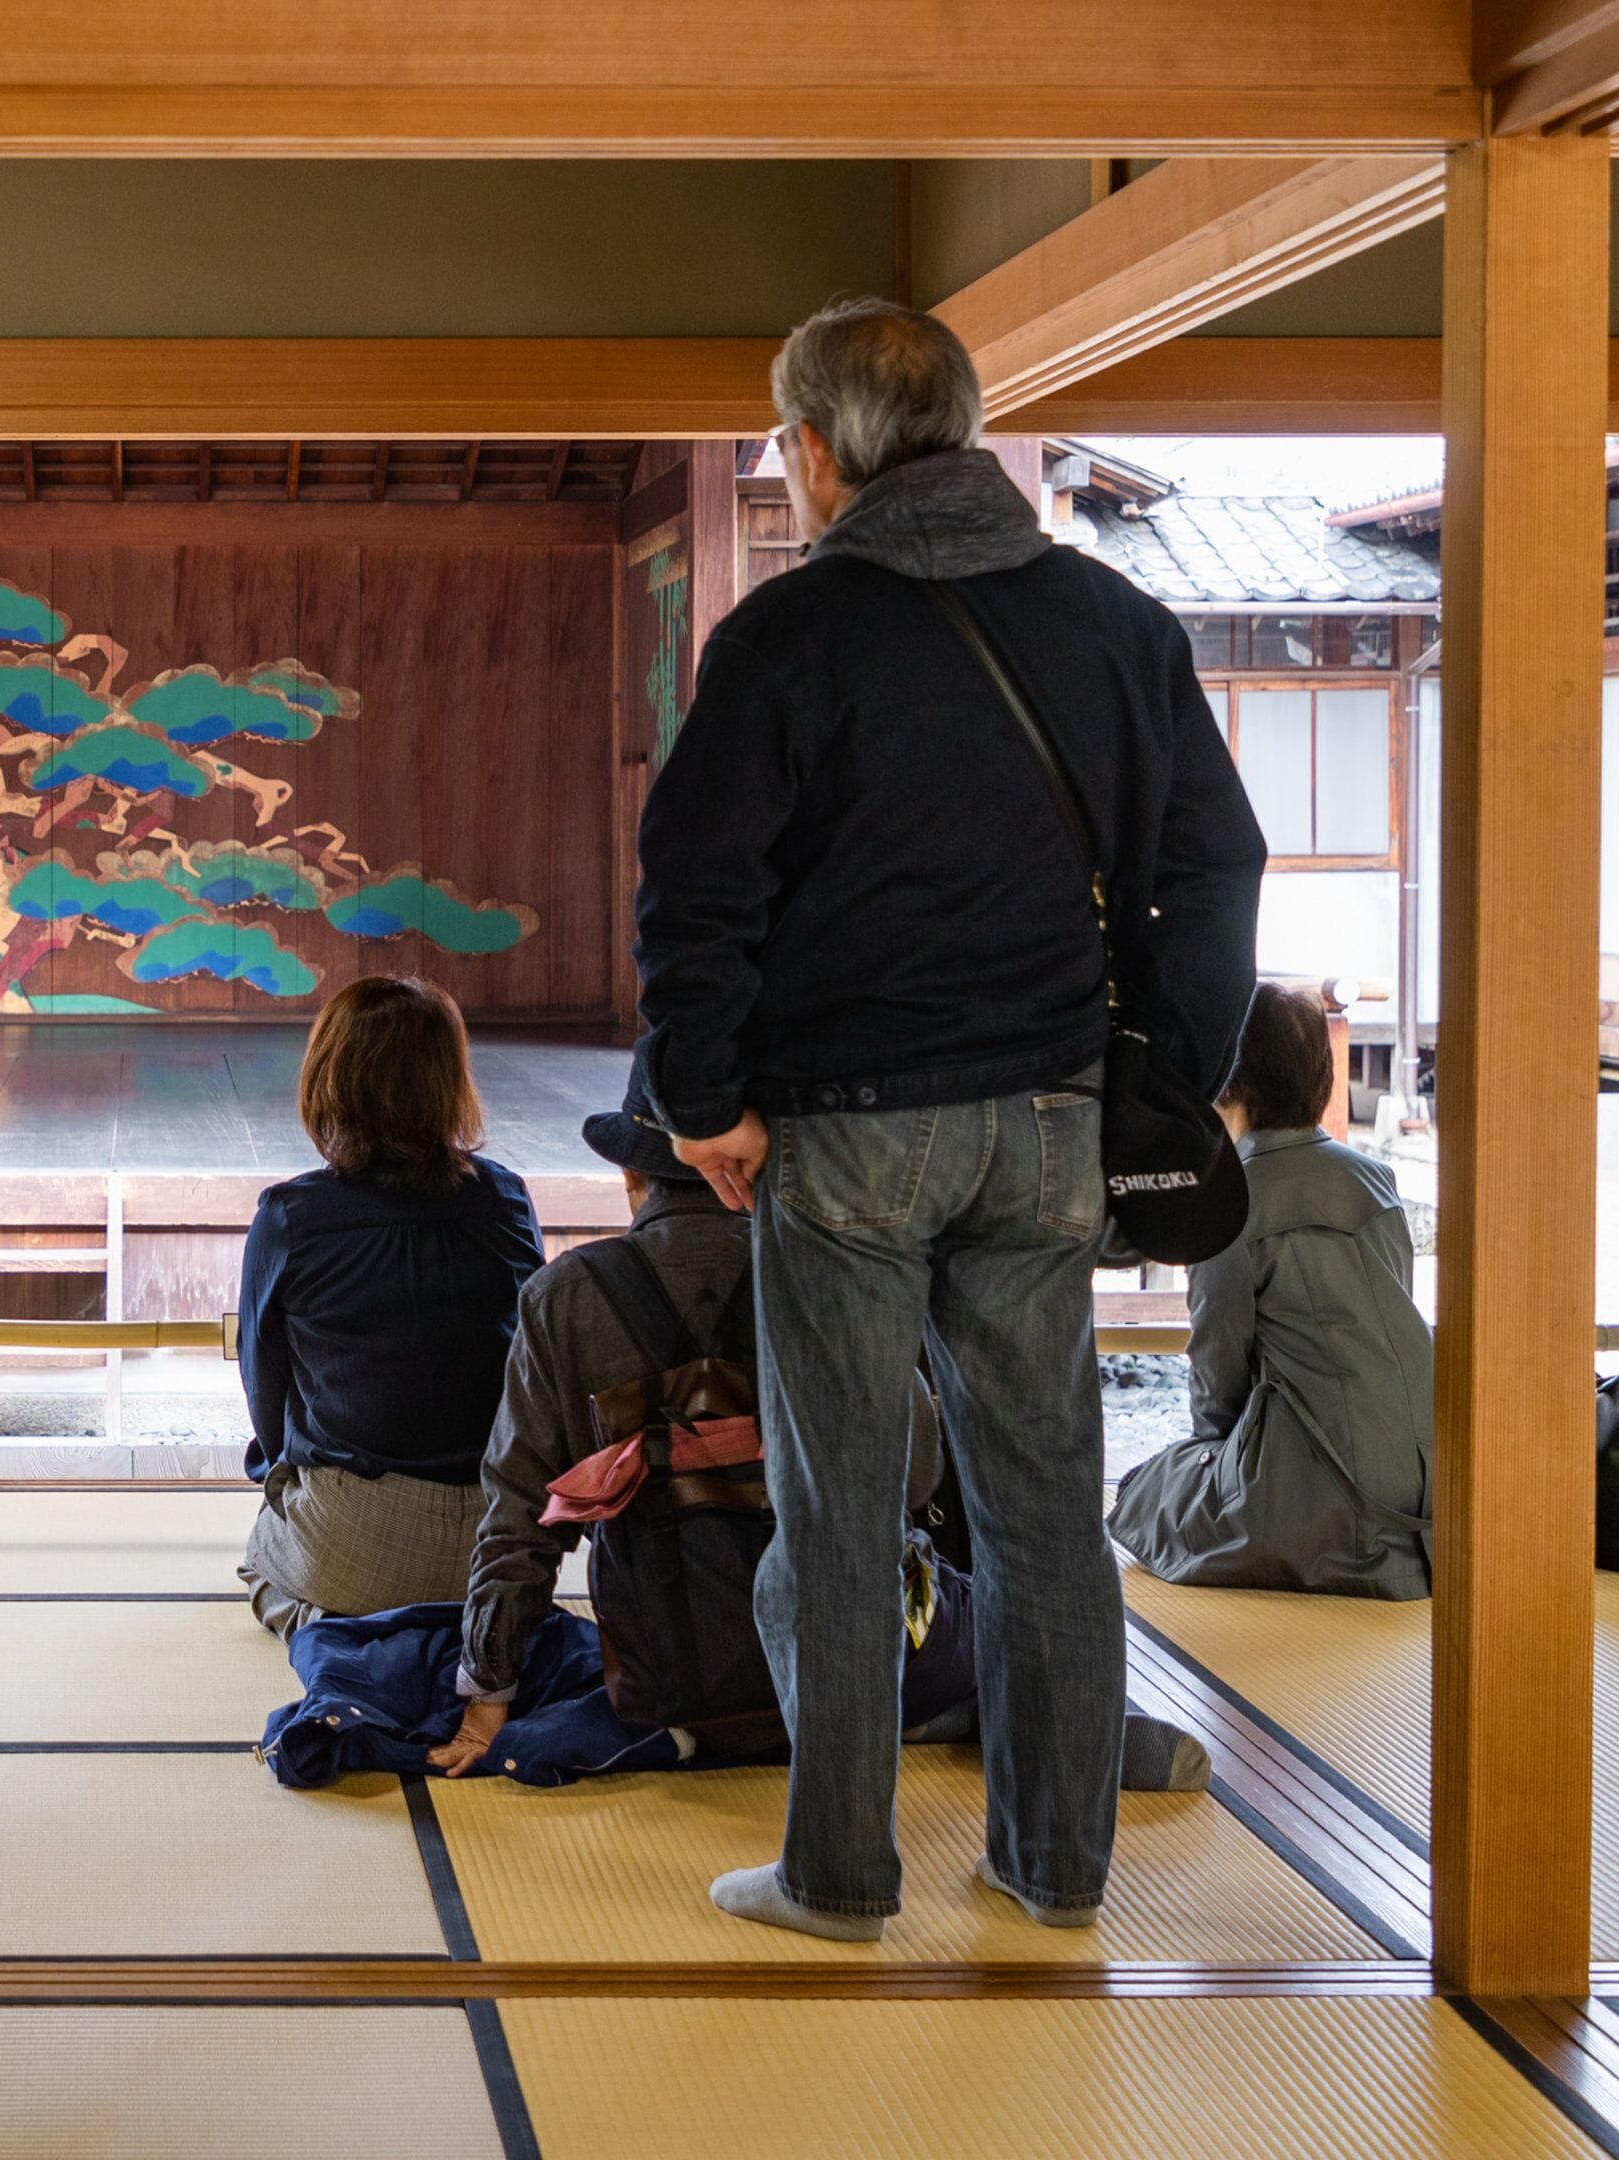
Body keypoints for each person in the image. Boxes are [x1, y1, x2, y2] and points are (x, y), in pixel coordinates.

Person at [630, 297, 1263, 1941]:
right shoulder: (1119, 626)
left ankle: (839, 1874)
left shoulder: (787, 639)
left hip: (845, 1128)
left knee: (842, 1506)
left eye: (781, 445)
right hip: (1051, 1125)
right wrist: (1158, 1079)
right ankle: (1056, 1868)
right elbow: (1216, 873)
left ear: (818, 453)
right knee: (1048, 1496)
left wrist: (703, 1099)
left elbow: (697, 892)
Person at [426, 1112, 1207, 1794]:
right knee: (1007, 1607)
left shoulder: (563, 1298)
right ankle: (1053, 1726)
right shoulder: (845, 1271)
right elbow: (917, 1475)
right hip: (867, 1659)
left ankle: (700, 1736)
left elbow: (520, 1511)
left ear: (633, 1177)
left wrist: (488, 1689)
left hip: (671, 1672)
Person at [235, 976, 545, 1636]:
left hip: (353, 1534)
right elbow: (526, 1360)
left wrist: (278, 1472)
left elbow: (265, 1387)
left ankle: (343, 1632)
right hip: (496, 1544)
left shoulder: (290, 1216)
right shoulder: (506, 1199)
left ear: (327, 1079)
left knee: (260, 1568)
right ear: (448, 1081)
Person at [1110, 985, 1433, 1599]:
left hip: (1324, 1474)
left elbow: (1218, 1372)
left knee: (1143, 1493)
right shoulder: (1375, 1176)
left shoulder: (1231, 1196)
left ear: (1224, 1077)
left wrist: (1211, 1465)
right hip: (1429, 1464)